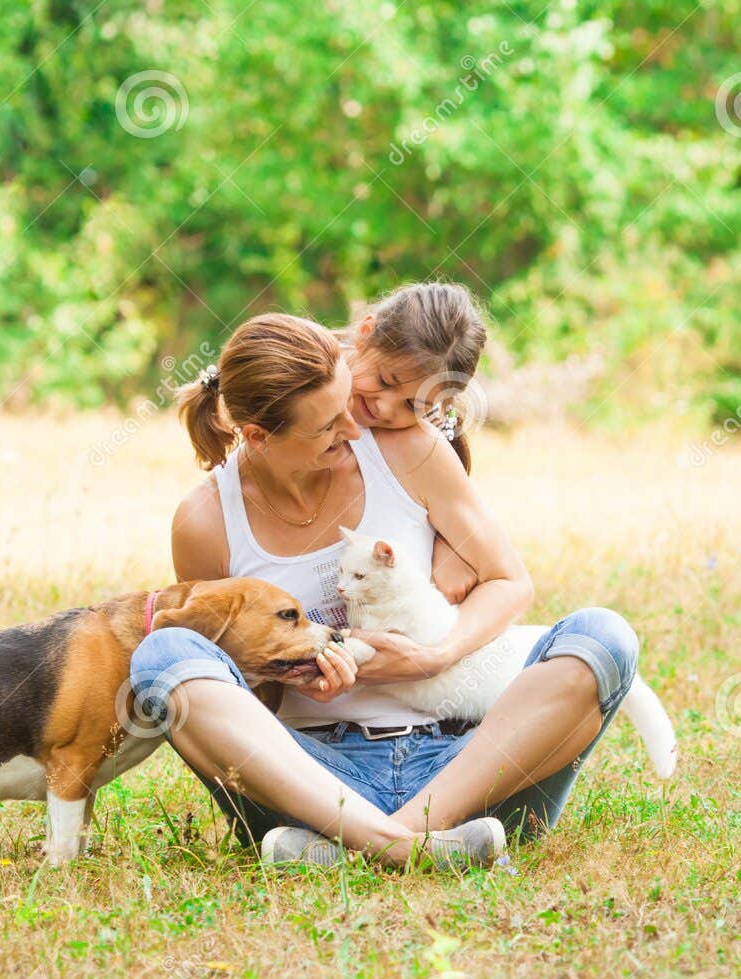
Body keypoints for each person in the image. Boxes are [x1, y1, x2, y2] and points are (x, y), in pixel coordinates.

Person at [129, 289, 640, 868]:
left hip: (464, 763)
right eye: (329, 425)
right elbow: (238, 690)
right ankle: (408, 847)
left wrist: (435, 655)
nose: (358, 426)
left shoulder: (404, 447)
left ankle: (365, 845)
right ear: (258, 436)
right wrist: (294, 672)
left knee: (604, 637)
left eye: (352, 402)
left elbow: (509, 581)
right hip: (316, 779)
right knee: (166, 654)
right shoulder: (205, 521)